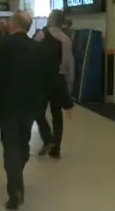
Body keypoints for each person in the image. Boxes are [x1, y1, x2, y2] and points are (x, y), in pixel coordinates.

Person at [0, 11, 46, 210]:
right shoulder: (37, 49)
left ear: (14, 24)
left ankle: (15, 188)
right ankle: (17, 173)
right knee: (23, 142)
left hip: (7, 105)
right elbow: (45, 79)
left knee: (10, 145)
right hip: (30, 105)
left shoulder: (3, 46)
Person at [33, 10, 75, 159]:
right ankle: (56, 148)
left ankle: (48, 138)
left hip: (42, 79)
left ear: (50, 19)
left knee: (38, 111)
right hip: (58, 80)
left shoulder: (41, 35)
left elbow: (32, 56)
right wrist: (69, 85)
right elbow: (69, 64)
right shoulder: (66, 39)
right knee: (57, 114)